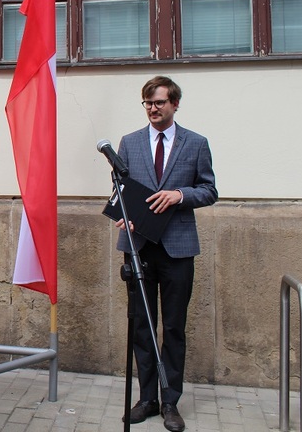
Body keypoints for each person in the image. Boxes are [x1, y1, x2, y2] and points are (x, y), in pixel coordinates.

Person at [115, 76, 217, 432]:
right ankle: (147, 399)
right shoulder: (128, 143)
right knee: (142, 326)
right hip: (139, 247)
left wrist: (179, 195)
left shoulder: (196, 143)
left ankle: (170, 400)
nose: (153, 109)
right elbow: (122, 190)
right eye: (147, 103)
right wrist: (123, 216)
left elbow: (209, 190)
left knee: (173, 326)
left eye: (159, 102)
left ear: (174, 104)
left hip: (177, 248)